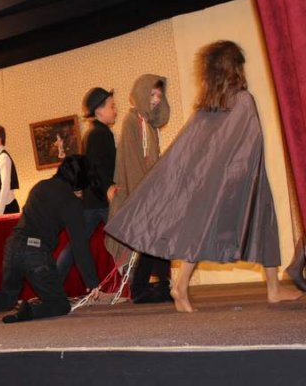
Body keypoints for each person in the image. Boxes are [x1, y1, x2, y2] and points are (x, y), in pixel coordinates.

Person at [105, 40, 303, 312]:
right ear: (234, 69)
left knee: (200, 230)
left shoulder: (208, 107)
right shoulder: (243, 100)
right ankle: (272, 288)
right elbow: (251, 142)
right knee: (262, 224)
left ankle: (183, 285)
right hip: (242, 178)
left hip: (209, 182)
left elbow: (191, 149)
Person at [0, 155, 99, 325]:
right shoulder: (71, 201)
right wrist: (92, 281)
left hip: (13, 246)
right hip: (36, 252)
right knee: (60, 304)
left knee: (8, 297)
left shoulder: (40, 187)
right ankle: (29, 310)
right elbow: (79, 244)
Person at [106, 74, 173, 303]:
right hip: (142, 192)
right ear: (142, 93)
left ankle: (154, 286)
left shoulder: (149, 125)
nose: (155, 100)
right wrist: (142, 195)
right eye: (152, 94)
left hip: (151, 192)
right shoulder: (132, 121)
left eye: (159, 96)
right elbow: (132, 163)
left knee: (156, 240)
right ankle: (144, 288)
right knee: (150, 240)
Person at [56, 87, 118, 287]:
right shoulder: (100, 133)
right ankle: (135, 284)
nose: (115, 110)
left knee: (76, 246)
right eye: (112, 106)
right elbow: (98, 169)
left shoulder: (94, 132)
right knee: (125, 240)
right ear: (99, 110)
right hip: (101, 200)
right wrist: (108, 190)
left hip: (93, 200)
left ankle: (52, 286)